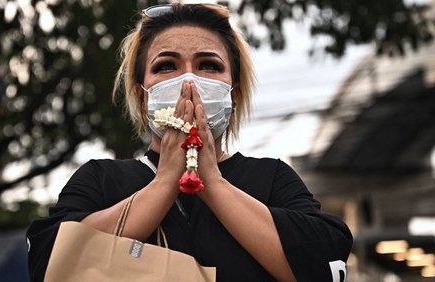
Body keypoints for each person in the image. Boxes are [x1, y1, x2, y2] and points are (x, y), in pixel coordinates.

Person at [27, 3, 352, 282]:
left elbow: (323, 264)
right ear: (143, 96)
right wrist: (166, 180)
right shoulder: (101, 179)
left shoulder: (271, 179)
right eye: (166, 66)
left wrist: (210, 180)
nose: (188, 81)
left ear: (233, 93)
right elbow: (53, 265)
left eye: (208, 65)